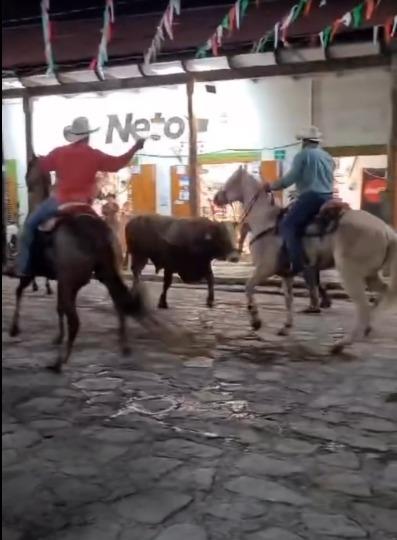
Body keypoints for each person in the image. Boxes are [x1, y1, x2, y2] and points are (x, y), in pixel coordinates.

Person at [17, 116, 145, 277]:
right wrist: (135, 148)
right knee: (107, 234)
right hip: (84, 204)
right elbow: (117, 164)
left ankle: (23, 268)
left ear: (74, 135)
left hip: (60, 201)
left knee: (29, 226)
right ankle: (112, 267)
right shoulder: (95, 155)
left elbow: (41, 165)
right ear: (88, 136)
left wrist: (39, 159)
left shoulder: (60, 152)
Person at [268, 126, 334, 274]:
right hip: (328, 197)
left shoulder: (303, 155)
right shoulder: (327, 156)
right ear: (317, 141)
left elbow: (290, 178)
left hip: (310, 198)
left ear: (304, 141)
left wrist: (271, 186)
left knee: (288, 225)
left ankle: (296, 263)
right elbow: (326, 179)